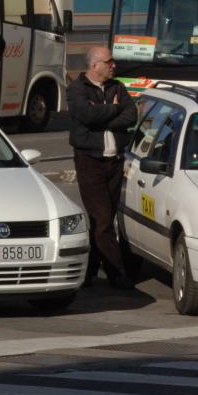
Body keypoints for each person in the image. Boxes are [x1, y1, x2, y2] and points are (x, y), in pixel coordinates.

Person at [67, 45, 138, 288]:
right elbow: (86, 116)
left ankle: (88, 271)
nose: (113, 65)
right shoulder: (77, 89)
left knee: (101, 220)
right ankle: (117, 273)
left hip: (115, 161)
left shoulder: (117, 87)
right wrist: (114, 109)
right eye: (109, 62)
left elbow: (131, 115)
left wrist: (104, 116)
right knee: (103, 219)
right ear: (95, 65)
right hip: (89, 162)